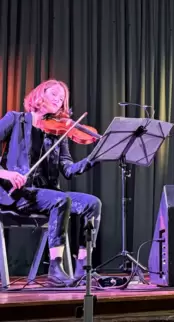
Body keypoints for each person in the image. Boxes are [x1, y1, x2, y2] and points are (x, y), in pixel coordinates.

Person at [0, 79, 101, 287]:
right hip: (16, 193)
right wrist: (6, 174)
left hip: (46, 195)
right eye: (54, 94)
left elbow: (68, 169)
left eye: (62, 98)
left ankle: (84, 267)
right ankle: (55, 268)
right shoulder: (15, 119)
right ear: (40, 95)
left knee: (93, 203)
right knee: (60, 199)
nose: (59, 100)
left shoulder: (59, 132)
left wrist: (95, 158)